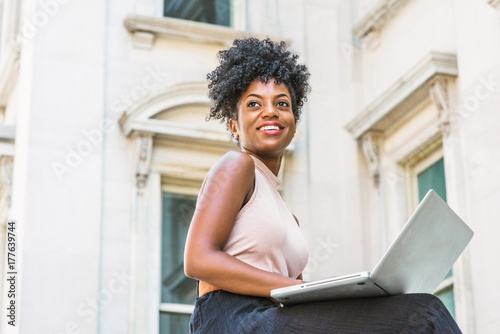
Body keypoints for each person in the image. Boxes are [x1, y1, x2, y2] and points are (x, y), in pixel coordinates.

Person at [184, 37, 461, 334]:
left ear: (293, 121)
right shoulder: (237, 166)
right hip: (232, 320)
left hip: (273, 318)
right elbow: (198, 259)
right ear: (234, 125)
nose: (270, 111)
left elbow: (293, 305)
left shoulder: (288, 218)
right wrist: (296, 286)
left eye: (282, 103)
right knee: (423, 314)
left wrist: (355, 295)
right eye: (254, 104)